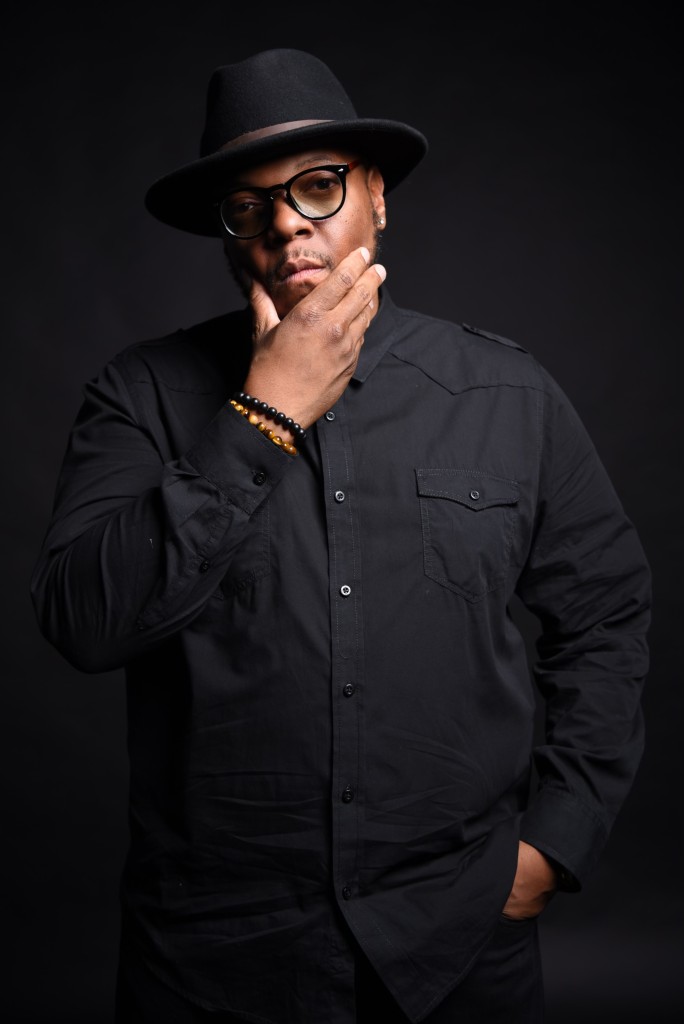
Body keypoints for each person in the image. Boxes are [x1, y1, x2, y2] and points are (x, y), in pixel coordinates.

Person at [31, 48, 651, 1024]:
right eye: (248, 205)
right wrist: (262, 415)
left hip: (460, 938)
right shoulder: (138, 395)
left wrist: (554, 840)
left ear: (377, 198)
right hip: (213, 956)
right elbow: (82, 623)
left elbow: (606, 618)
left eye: (317, 186)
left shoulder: (508, 392)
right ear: (230, 233)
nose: (286, 223)